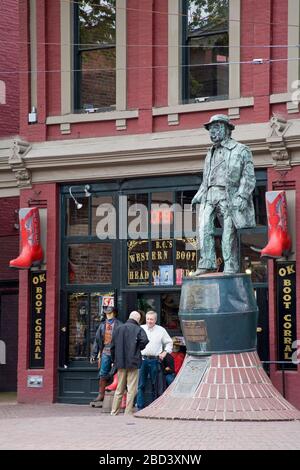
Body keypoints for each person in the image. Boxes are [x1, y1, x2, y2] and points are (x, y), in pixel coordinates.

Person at [191, 114, 256, 275]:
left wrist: (242, 196)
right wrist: (199, 194)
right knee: (204, 228)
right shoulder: (209, 152)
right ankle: (207, 262)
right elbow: (206, 177)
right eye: (210, 130)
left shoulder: (241, 150)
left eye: (216, 128)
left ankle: (230, 265)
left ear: (226, 129)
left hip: (229, 195)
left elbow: (248, 177)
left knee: (228, 234)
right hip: (209, 195)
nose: (212, 133)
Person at [110, 311, 149, 415]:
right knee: (132, 389)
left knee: (119, 389)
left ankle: (114, 411)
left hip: (120, 362)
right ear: (137, 319)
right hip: (133, 362)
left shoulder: (118, 329)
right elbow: (145, 340)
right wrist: (138, 348)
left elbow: (112, 347)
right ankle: (128, 412)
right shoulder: (138, 329)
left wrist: (114, 360)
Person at [136, 310, 173, 410]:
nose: (149, 321)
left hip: (155, 360)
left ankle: (154, 406)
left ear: (155, 320)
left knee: (156, 385)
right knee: (141, 385)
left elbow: (170, 343)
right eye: (148, 319)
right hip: (142, 360)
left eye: (151, 319)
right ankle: (140, 406)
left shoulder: (161, 330)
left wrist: (165, 352)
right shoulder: (140, 328)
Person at [90, 306, 122, 406]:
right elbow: (97, 341)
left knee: (117, 373)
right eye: (107, 314)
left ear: (115, 313)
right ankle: (101, 394)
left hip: (116, 352)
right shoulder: (102, 326)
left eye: (110, 313)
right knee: (103, 373)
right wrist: (94, 354)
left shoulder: (120, 325)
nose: (108, 315)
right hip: (105, 351)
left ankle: (116, 395)